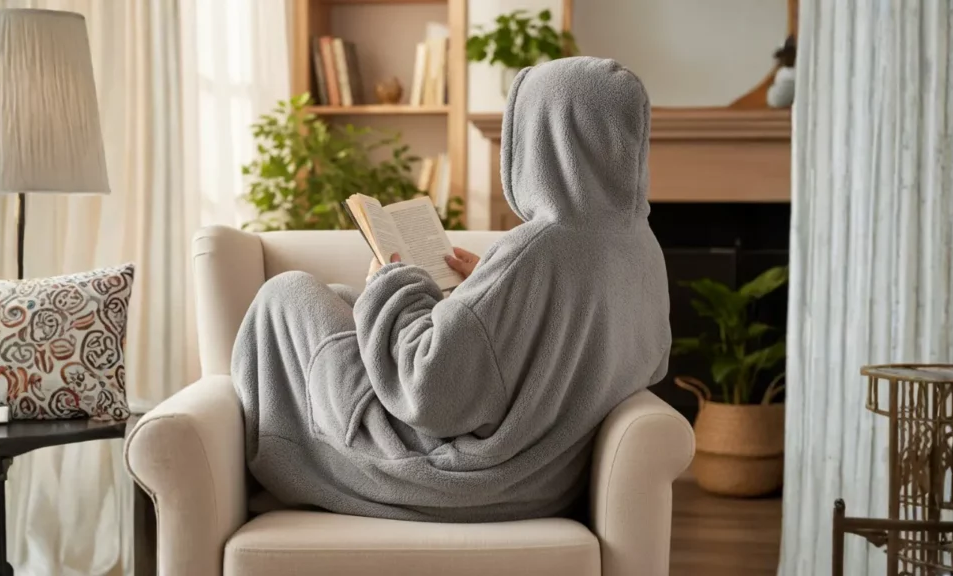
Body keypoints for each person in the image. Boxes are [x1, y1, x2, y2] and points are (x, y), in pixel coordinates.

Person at [231, 56, 671, 523]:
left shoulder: (540, 247)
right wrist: (492, 287)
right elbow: (636, 354)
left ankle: (272, 469)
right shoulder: (639, 246)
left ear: (543, 137)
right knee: (341, 297)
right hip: (548, 480)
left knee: (286, 295)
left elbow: (429, 392)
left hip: (465, 479)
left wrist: (394, 281)